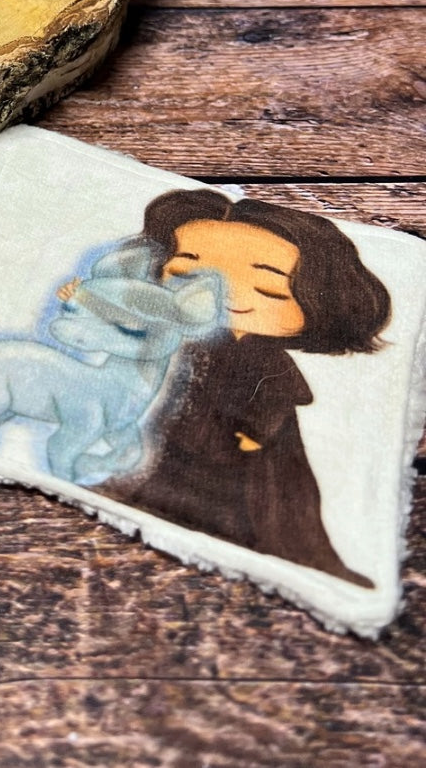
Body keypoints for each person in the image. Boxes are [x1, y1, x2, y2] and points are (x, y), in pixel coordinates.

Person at [102, 189, 391, 587]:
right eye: (186, 275)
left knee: (259, 509)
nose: (226, 296)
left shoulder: (265, 358)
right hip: (174, 435)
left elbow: (282, 396)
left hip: (249, 449)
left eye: (269, 290)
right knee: (153, 483)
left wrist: (257, 431)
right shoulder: (181, 338)